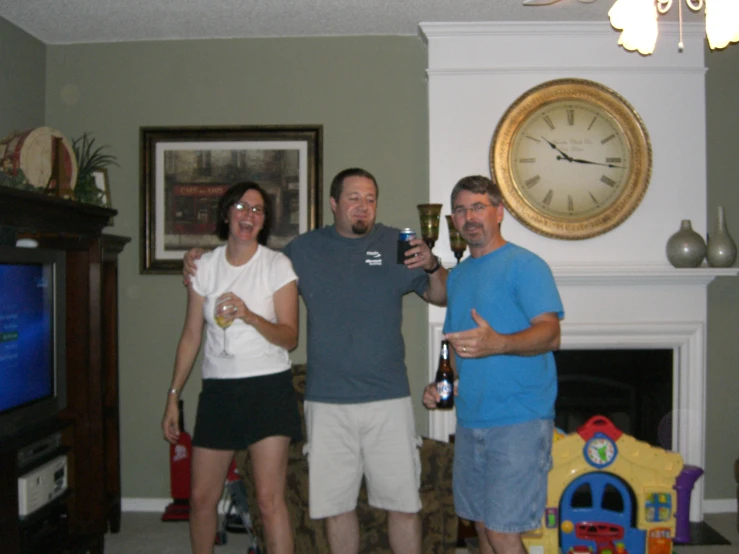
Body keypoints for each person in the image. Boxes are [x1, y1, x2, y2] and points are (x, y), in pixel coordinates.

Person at [185, 167, 447, 554]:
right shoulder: (302, 251)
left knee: (404, 506)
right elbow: (247, 263)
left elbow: (441, 297)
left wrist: (432, 265)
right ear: (334, 203)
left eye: (370, 199)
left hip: (388, 398)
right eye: (354, 198)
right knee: (335, 509)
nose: (363, 207)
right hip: (326, 402)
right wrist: (197, 258)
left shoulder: (396, 243)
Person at [422, 175, 564, 554]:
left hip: (519, 420)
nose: (469, 216)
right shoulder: (461, 276)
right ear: (453, 220)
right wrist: (441, 382)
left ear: (499, 212)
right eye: (461, 209)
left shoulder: (526, 265)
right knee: (483, 529)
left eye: (478, 207)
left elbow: (551, 334)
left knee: (503, 532)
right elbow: (455, 343)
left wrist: (499, 343)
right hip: (471, 420)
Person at [163, 181, 301, 554]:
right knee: (200, 498)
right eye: (242, 207)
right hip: (219, 393)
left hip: (267, 390)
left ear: (264, 222)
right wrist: (173, 396)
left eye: (257, 210)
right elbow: (192, 334)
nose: (249, 215)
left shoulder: (277, 266)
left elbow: (290, 337)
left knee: (270, 501)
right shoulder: (203, 266)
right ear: (226, 214)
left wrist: (250, 315)